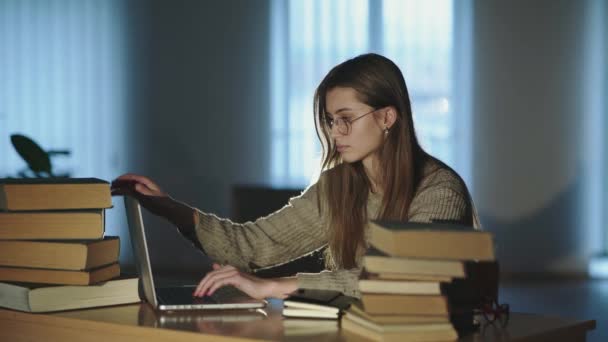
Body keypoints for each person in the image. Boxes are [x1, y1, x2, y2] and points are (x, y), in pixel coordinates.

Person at [111, 53, 481, 301]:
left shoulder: (439, 189)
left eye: (347, 119)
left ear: (387, 117)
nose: (336, 133)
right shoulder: (339, 187)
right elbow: (254, 246)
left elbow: (406, 279)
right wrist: (169, 208)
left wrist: (275, 286)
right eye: (331, 121)